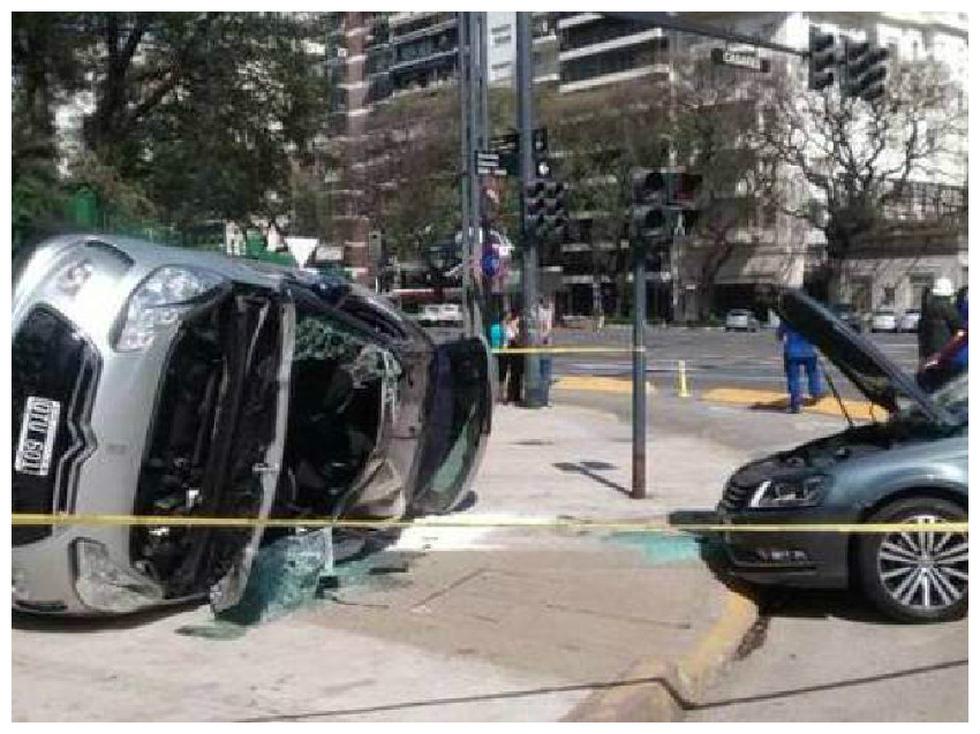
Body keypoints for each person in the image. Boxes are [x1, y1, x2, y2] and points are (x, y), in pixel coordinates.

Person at [918, 286, 968, 392]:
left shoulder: (927, 309)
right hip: (949, 352)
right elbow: (959, 327)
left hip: (933, 351)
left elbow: (922, 332)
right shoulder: (950, 308)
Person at [777, 322, 823, 413]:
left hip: (792, 352)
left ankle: (795, 403)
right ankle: (815, 393)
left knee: (793, 378)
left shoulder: (786, 318)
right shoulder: (808, 318)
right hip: (810, 351)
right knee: (813, 373)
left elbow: (779, 335)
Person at [918, 277, 960, 363]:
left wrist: (922, 353)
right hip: (944, 348)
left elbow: (922, 329)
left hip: (928, 350)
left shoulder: (928, 307)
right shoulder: (948, 308)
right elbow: (958, 326)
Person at [536, 296, 555, 406]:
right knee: (544, 374)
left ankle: (543, 398)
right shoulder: (543, 313)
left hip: (544, 347)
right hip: (543, 347)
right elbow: (547, 329)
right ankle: (543, 399)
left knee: (544, 375)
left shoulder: (543, 312)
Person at [503, 307, 523, 405]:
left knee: (517, 374)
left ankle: (516, 396)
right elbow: (514, 338)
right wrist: (514, 328)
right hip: (512, 349)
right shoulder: (509, 325)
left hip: (517, 350)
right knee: (513, 374)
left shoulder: (514, 325)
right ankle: (511, 396)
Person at [488, 315, 507, 403]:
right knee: (502, 376)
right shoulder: (501, 329)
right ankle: (501, 395)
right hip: (501, 353)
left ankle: (495, 396)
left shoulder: (491, 328)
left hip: (492, 353)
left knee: (494, 374)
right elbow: (503, 341)